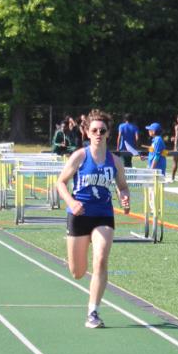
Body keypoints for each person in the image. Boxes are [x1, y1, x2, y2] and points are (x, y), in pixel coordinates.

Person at [56, 109, 130, 329]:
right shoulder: (80, 156)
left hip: (103, 215)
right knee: (77, 272)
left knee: (101, 260)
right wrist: (71, 202)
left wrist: (124, 197)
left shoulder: (115, 161)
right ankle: (78, 257)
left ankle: (93, 312)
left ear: (108, 133)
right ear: (87, 132)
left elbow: (122, 186)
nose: (98, 134)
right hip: (79, 215)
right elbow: (61, 182)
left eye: (102, 130)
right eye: (94, 130)